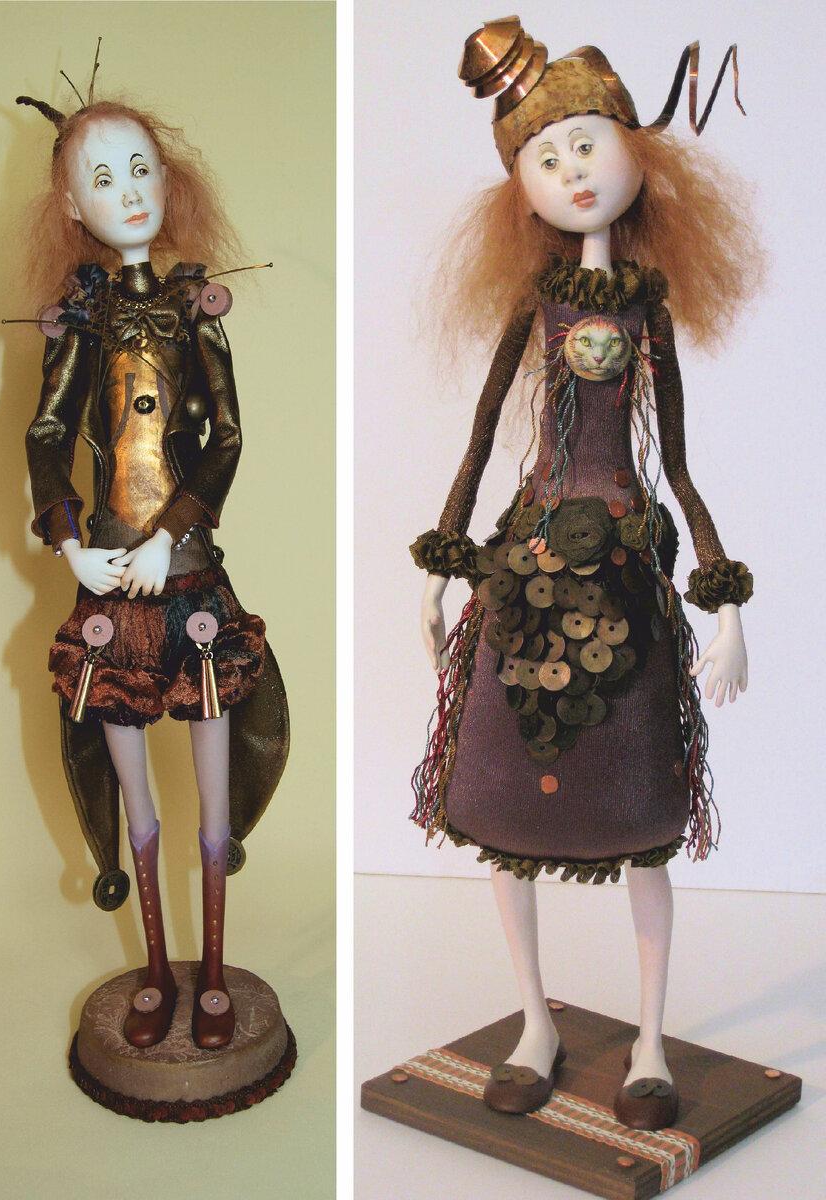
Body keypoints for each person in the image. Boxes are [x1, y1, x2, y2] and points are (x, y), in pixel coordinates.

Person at [410, 18, 760, 1129]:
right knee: (503, 808)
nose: (571, 170)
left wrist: (723, 602)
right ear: (518, 187)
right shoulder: (537, 305)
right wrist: (443, 565)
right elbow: (479, 444)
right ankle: (535, 1021)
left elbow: (681, 467)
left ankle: (649, 1039)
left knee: (641, 812)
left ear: (634, 151)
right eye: (544, 156)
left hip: (625, 573)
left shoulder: (646, 309)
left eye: (586, 144)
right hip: (522, 571)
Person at [19, 76, 289, 1051]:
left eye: (140, 169)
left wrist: (172, 535)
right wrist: (71, 543)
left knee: (211, 795)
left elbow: (226, 439)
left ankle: (214, 970)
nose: (127, 190)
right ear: (71, 204)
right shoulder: (81, 321)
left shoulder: (193, 312)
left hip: (191, 583)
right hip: (110, 593)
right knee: (137, 795)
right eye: (102, 178)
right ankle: (158, 970)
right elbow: (47, 435)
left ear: (168, 182)